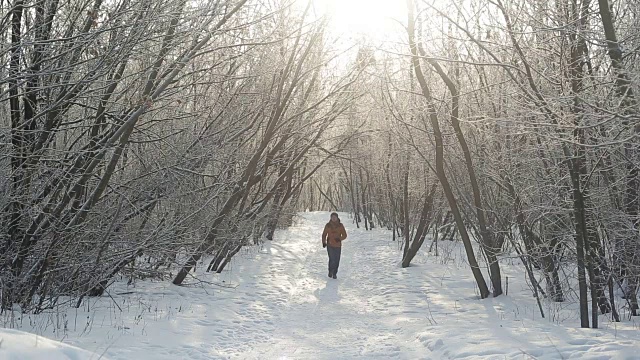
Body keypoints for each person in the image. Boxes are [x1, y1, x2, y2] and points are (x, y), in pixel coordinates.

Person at [322, 212, 347, 279]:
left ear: (337, 218)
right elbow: (324, 234)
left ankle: (335, 273)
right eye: (332, 217)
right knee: (332, 259)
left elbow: (345, 235)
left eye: (335, 217)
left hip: (338, 245)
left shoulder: (340, 225)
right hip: (330, 245)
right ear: (331, 218)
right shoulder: (328, 225)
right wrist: (324, 242)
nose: (333, 218)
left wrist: (339, 239)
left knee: (337, 260)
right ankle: (330, 271)